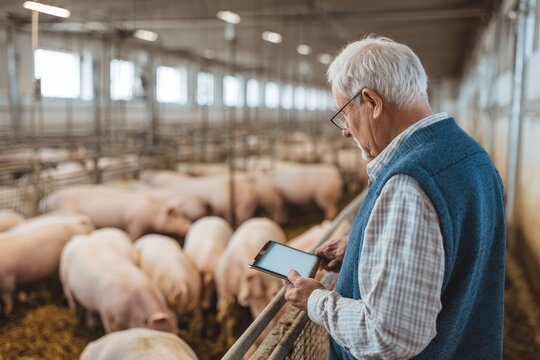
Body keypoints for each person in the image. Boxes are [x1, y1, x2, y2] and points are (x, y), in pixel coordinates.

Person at [283, 35, 506, 360]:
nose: (345, 130)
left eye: (344, 112)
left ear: (372, 102)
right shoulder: (471, 154)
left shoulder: (409, 183)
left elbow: (390, 337)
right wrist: (364, 248)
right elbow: (453, 247)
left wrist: (316, 300)